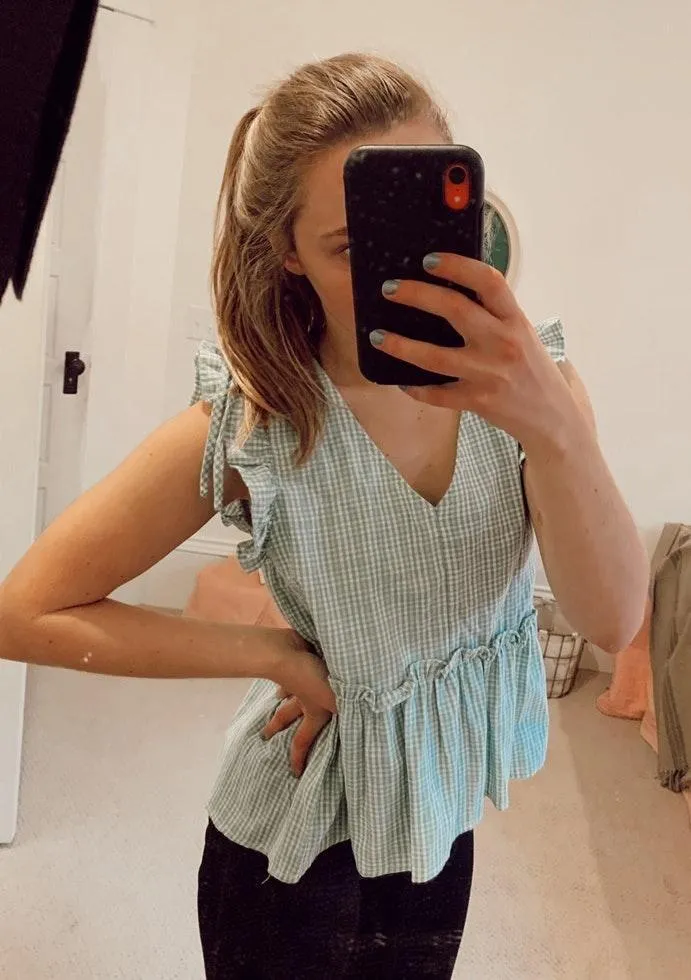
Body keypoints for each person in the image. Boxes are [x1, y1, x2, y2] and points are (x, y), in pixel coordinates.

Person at [0, 52, 649, 979]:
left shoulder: (538, 391)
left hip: (438, 821)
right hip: (290, 848)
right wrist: (274, 656)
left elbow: (612, 619)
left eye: (432, 233)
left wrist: (552, 428)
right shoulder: (255, 419)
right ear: (288, 252)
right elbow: (24, 611)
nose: (409, 273)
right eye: (353, 247)